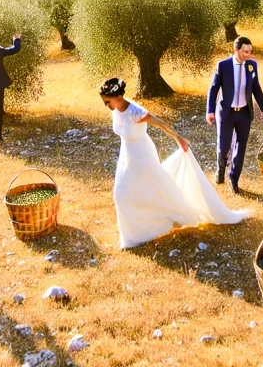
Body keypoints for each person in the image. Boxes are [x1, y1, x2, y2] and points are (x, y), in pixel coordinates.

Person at [102, 79, 251, 248]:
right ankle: (132, 235)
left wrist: (178, 138)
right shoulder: (115, 109)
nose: (106, 105)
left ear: (118, 96)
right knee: (121, 194)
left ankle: (154, 225)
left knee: (148, 190)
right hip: (126, 155)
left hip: (142, 155)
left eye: (107, 101)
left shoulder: (136, 111)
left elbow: (161, 124)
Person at [207, 37, 263, 193]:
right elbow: (213, 89)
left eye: (250, 51)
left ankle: (234, 178)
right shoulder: (223, 66)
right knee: (224, 146)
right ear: (236, 50)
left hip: (244, 114)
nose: (248, 55)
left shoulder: (251, 66)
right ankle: (221, 167)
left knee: (240, 148)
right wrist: (210, 111)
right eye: (245, 51)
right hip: (226, 113)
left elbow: (256, 87)